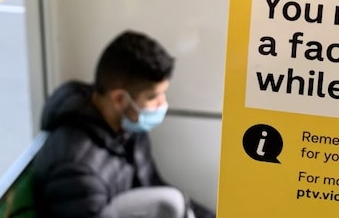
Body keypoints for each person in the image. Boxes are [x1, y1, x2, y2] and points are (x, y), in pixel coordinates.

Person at [31, 30, 216, 218]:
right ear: (119, 99)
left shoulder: (126, 125)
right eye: (153, 97)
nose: (163, 104)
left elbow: (152, 184)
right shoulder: (75, 170)